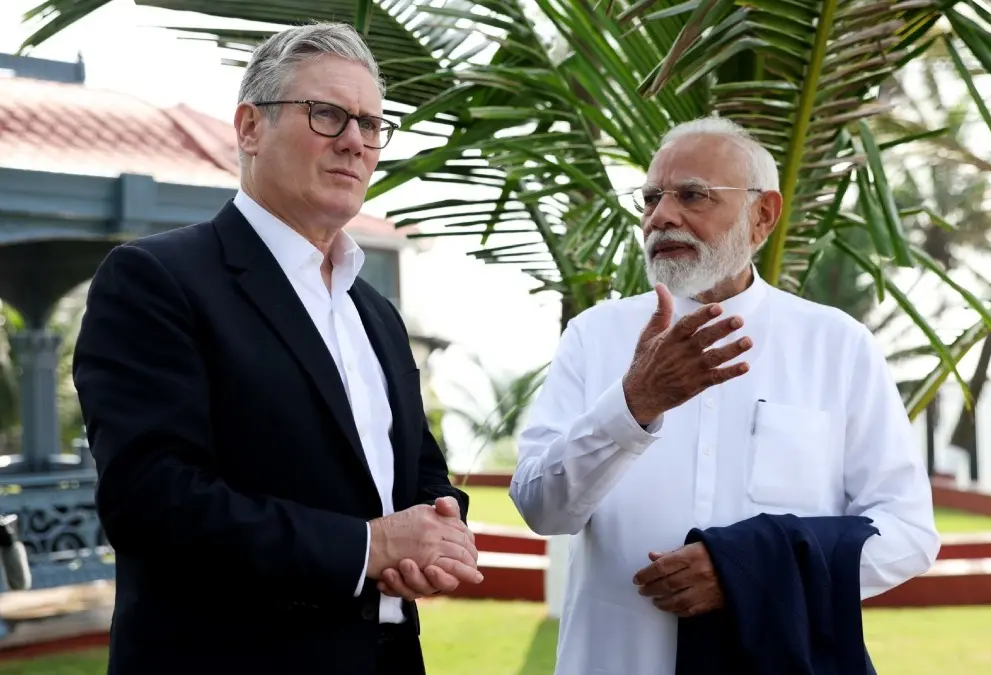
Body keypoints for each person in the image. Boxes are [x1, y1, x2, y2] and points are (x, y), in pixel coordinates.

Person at [72, 22, 482, 675]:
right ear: (249, 127)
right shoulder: (156, 279)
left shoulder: (375, 311)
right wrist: (366, 546)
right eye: (327, 114)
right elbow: (152, 498)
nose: (354, 141)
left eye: (371, 124)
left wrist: (443, 522)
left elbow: (421, 468)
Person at [511, 116, 941, 674]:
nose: (661, 216)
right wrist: (633, 404)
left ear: (762, 215)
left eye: (692, 196)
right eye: (650, 199)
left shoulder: (838, 345)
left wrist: (747, 572)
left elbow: (908, 534)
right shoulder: (595, 336)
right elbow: (540, 508)